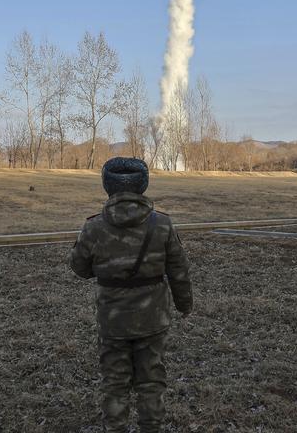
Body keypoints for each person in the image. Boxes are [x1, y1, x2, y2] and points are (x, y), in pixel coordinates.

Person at [70, 157, 193, 433]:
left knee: (114, 383)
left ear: (107, 185)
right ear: (143, 184)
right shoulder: (162, 224)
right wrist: (185, 305)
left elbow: (79, 267)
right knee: (151, 381)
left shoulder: (94, 227)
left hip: (112, 320)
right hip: (153, 318)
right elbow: (179, 271)